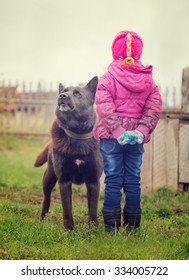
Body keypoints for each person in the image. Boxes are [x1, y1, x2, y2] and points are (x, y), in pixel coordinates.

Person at [93, 30, 162, 234]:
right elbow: (154, 108)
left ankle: (111, 228)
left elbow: (103, 106)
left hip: (111, 139)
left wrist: (117, 130)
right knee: (132, 179)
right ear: (138, 53)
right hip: (135, 139)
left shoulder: (107, 78)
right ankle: (132, 228)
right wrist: (140, 131)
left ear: (115, 52)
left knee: (113, 179)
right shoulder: (148, 80)